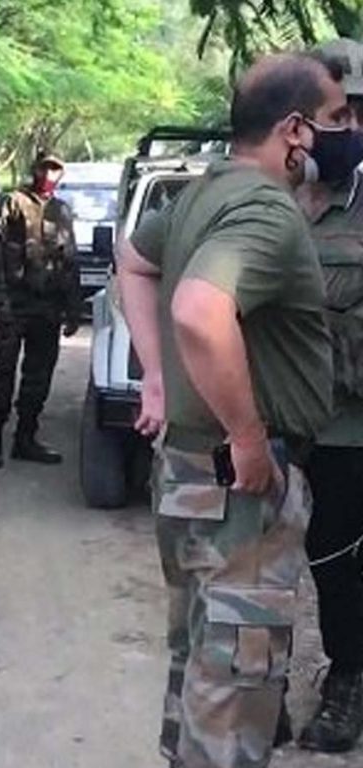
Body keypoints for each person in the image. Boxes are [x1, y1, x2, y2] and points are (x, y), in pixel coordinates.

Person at [117, 54, 342, 768]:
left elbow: (134, 261)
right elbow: (198, 307)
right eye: (338, 118)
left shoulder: (202, 193)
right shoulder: (267, 210)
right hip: (241, 487)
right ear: (295, 130)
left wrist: (158, 376)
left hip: (188, 470)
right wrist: (247, 435)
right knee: (237, 680)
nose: (349, 131)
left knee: (201, 659)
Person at [295, 40, 363, 754]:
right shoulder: (269, 195)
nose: (348, 128)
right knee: (265, 559)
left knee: (337, 552)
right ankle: (257, 685)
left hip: (350, 425)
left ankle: (348, 675)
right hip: (275, 419)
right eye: (338, 113)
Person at [0, 152, 81, 468]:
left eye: (56, 170)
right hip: (15, 304)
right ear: (35, 169)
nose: (49, 175)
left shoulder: (61, 210)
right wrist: (0, 303)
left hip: (48, 307)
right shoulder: (12, 203)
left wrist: (73, 308)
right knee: (3, 374)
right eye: (45, 168)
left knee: (38, 378)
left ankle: (26, 438)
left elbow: (70, 260)